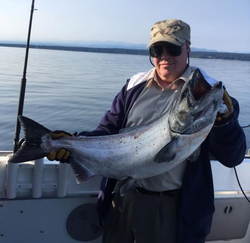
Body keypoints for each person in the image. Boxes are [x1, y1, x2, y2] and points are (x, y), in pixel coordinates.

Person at [48, 19, 246, 243]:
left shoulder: (209, 95)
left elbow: (233, 156)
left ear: (188, 48)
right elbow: (107, 131)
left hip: (171, 208)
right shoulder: (134, 85)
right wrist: (74, 143)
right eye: (156, 49)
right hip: (121, 201)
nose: (164, 56)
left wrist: (224, 124)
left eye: (172, 48)